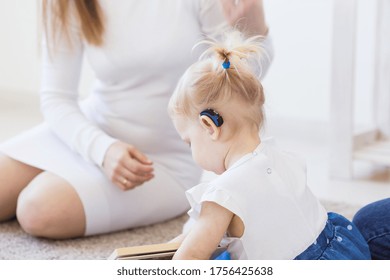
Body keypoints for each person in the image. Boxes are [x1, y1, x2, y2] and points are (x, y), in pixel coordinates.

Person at [0, 0, 273, 239]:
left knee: (36, 209)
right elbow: (56, 98)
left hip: (163, 160)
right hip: (94, 131)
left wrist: (256, 30)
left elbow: (237, 81)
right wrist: (102, 149)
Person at [167, 30, 371, 260]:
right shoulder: (280, 157)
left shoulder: (222, 195)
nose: (191, 150)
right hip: (344, 251)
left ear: (209, 127)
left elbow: (188, 260)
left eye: (189, 142)